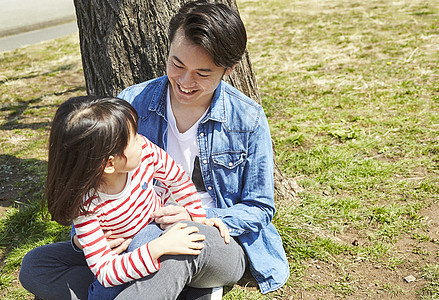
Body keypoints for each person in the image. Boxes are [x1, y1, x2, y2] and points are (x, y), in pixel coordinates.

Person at [19, 1, 289, 299]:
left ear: (229, 69)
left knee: (157, 244)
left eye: (202, 73)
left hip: (209, 237)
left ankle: (148, 284)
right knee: (37, 265)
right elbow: (94, 178)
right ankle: (177, 289)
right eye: (177, 64)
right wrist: (91, 240)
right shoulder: (133, 101)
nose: (186, 82)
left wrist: (200, 216)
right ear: (168, 49)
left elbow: (260, 207)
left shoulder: (247, 118)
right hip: (136, 230)